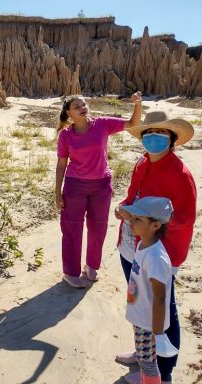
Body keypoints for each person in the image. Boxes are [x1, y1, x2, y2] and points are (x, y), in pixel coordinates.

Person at [115, 111, 196, 384]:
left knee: (162, 308)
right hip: (132, 244)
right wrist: (125, 209)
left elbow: (185, 218)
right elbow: (132, 195)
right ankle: (143, 355)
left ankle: (164, 371)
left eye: (160, 135)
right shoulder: (141, 163)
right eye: (148, 134)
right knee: (139, 302)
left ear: (172, 140)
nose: (153, 139)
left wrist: (153, 222)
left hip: (159, 252)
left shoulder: (180, 174)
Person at [55, 92, 142, 288]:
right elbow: (61, 164)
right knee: (71, 229)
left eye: (83, 104)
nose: (82, 107)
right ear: (69, 113)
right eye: (76, 106)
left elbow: (132, 124)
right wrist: (57, 192)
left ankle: (92, 266)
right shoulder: (65, 135)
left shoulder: (102, 124)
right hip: (74, 186)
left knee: (98, 227)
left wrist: (137, 105)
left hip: (101, 185)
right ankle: (70, 272)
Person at [119, 197, 178, 384]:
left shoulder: (156, 258)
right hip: (141, 314)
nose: (131, 221)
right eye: (132, 217)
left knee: (148, 362)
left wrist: (158, 332)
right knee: (144, 353)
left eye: (138, 219)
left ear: (155, 225)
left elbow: (161, 298)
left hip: (149, 322)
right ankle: (144, 368)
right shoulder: (142, 244)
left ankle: (150, 380)